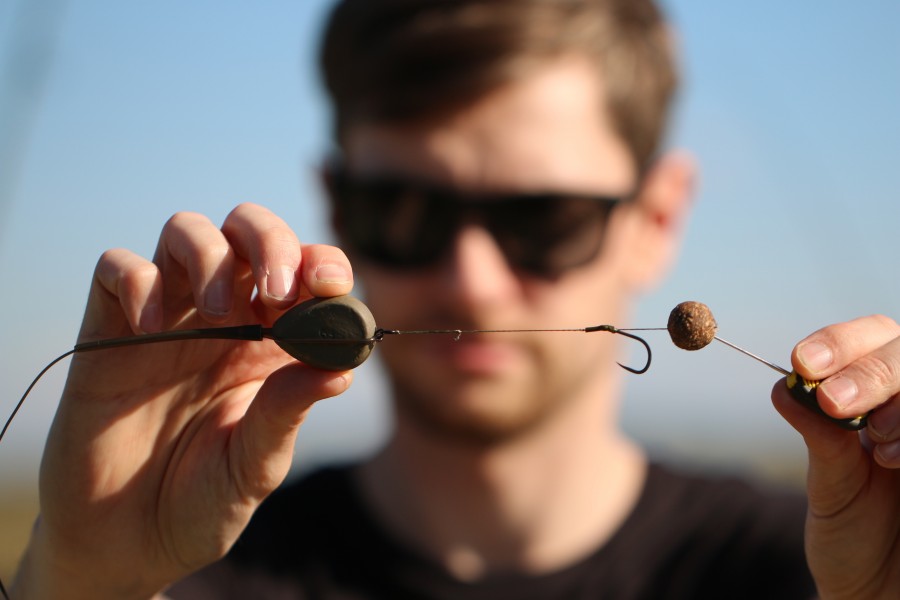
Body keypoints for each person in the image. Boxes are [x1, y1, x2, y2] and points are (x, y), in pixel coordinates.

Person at [10, 0, 900, 598]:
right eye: (406, 210)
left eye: (544, 218)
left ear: (655, 218)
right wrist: (82, 578)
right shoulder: (191, 570)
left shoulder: (827, 568)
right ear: (337, 204)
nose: (472, 280)